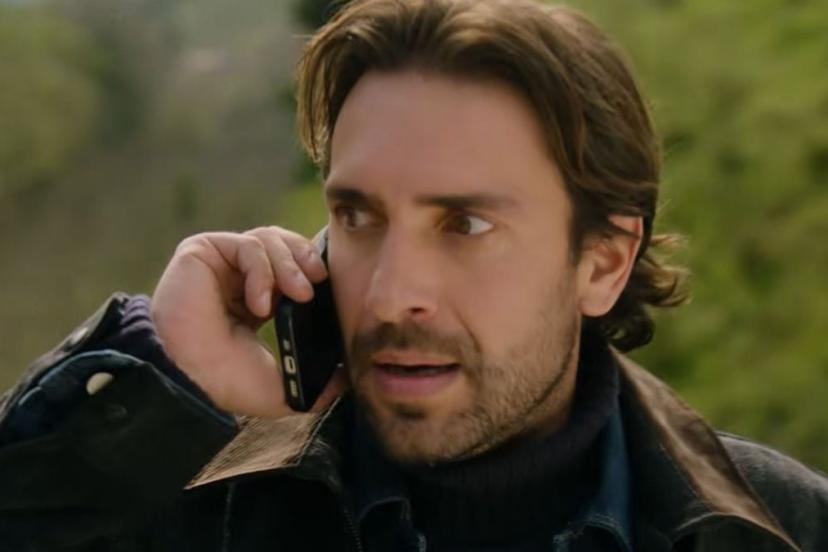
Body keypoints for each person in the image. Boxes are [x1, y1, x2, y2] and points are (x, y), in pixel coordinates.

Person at [1, 0, 825, 550]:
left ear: (603, 262)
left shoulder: (782, 528)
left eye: (465, 225)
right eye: (358, 217)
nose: (392, 294)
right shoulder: (182, 506)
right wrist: (158, 378)